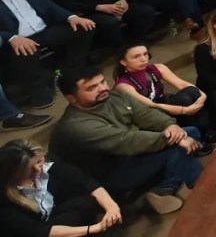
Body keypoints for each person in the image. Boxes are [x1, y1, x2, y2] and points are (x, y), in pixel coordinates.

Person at [50, 66, 203, 215]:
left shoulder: (114, 97)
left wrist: (170, 125)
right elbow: (126, 140)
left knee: (189, 133)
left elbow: (146, 114)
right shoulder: (75, 126)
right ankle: (204, 190)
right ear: (71, 98)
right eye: (91, 88)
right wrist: (173, 139)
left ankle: (163, 189)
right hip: (104, 179)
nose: (102, 88)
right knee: (178, 146)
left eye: (102, 82)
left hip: (126, 158)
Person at [0, 0, 96, 109]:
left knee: (84, 28)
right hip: (18, 39)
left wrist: (72, 17)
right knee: (23, 52)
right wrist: (12, 37)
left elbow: (50, 7)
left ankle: (71, 73)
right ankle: (38, 94)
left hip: (44, 32)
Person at [0, 139, 122, 236]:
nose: (37, 169)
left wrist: (111, 207)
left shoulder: (49, 164)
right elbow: (37, 231)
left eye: (39, 162)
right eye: (29, 169)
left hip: (54, 217)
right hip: (34, 231)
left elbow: (84, 181)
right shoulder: (4, 197)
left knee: (88, 200)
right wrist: (94, 228)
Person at [113, 44, 214, 145]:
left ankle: (206, 133)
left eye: (145, 54)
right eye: (136, 57)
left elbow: (182, 84)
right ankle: (198, 140)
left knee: (192, 92)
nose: (143, 59)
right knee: (184, 100)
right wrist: (184, 110)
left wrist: (202, 95)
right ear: (123, 62)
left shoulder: (157, 68)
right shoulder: (123, 85)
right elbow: (151, 105)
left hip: (163, 101)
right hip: (150, 114)